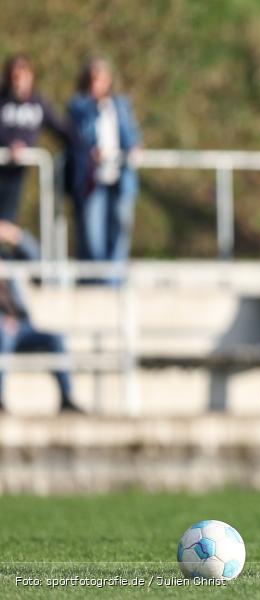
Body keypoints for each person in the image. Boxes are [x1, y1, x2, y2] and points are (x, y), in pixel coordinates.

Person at [67, 57, 142, 267]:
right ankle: (96, 275)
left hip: (120, 173)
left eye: (100, 79)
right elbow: (78, 136)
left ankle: (114, 277)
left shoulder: (120, 104)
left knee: (121, 224)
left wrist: (134, 147)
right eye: (92, 80)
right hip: (92, 176)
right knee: (93, 228)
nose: (96, 85)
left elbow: (130, 134)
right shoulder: (79, 106)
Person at [0, 220, 79, 413]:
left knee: (55, 338)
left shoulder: (6, 257)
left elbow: (40, 266)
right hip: (3, 329)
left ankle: (67, 399)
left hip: (22, 325)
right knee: (3, 335)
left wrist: (17, 236)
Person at [0, 55, 70, 222]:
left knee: (7, 222)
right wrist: (9, 144)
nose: (18, 81)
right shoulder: (2, 101)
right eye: (14, 77)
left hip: (15, 175)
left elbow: (61, 129)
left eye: (22, 76)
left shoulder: (38, 104)